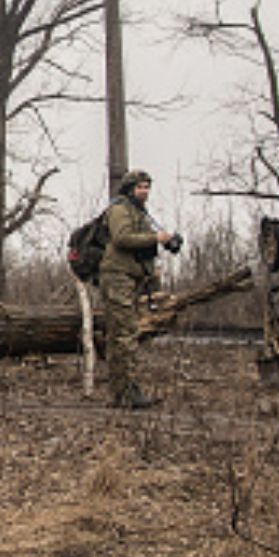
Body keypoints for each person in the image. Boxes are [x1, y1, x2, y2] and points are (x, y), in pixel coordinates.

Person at [99, 169, 176, 410]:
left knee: (122, 335)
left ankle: (122, 392)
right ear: (130, 188)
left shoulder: (139, 212)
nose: (144, 192)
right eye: (140, 187)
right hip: (116, 277)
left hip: (129, 278)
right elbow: (122, 238)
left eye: (147, 187)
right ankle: (126, 392)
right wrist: (156, 238)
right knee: (125, 334)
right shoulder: (119, 209)